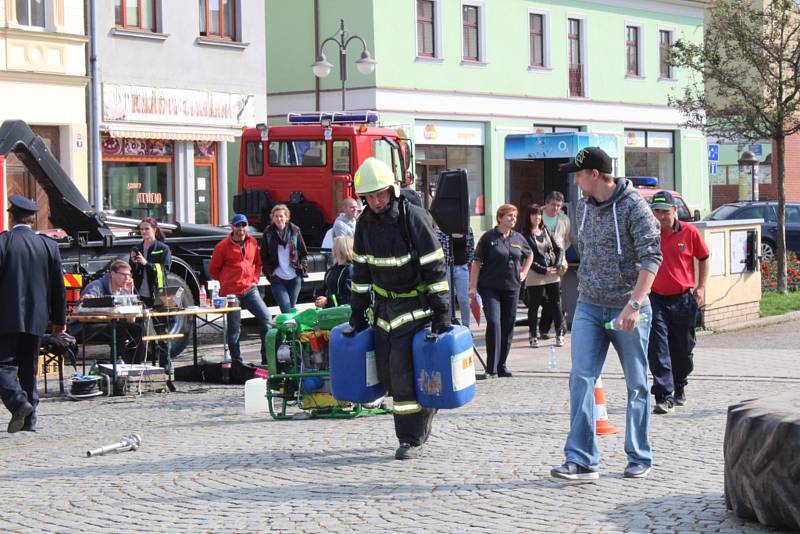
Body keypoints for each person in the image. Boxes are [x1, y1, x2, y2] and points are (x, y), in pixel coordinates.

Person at [550, 147, 662, 481]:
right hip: (589, 305)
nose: (575, 178)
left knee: (637, 384)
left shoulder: (635, 207)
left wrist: (635, 304)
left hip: (627, 307)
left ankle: (639, 456)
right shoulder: (582, 207)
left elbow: (651, 258)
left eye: (578, 173)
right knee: (581, 378)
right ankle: (581, 460)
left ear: (595, 175)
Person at [348, 157, 450, 460]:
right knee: (387, 375)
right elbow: (361, 275)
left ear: (391, 190)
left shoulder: (413, 217)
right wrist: (357, 314)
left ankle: (410, 437)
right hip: (384, 309)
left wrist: (442, 312)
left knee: (401, 371)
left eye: (380, 194)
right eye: (370, 196)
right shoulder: (364, 224)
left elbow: (435, 267)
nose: (376, 201)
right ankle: (424, 409)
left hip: (415, 305)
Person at [0, 195, 66, 433]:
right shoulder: (48, 246)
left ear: (11, 216)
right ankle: (30, 420)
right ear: (33, 219)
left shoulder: (3, 242)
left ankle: (19, 402)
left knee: (3, 366)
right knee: (28, 366)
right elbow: (59, 288)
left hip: (6, 318)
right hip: (38, 318)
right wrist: (60, 321)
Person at [648, 191, 709, 414]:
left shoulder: (689, 232)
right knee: (658, 347)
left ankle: (680, 382)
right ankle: (664, 395)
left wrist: (701, 287)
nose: (661, 216)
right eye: (657, 211)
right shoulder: (650, 233)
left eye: (665, 211)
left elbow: (703, 258)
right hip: (655, 298)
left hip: (683, 299)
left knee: (683, 350)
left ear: (674, 210)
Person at [468, 204, 532, 379]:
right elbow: (476, 262)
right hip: (490, 288)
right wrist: (472, 287)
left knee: (508, 325)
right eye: (510, 216)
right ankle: (491, 368)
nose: (513, 219)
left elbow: (530, 254)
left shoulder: (518, 238)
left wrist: (524, 272)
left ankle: (502, 365)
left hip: (512, 287)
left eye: (515, 217)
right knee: (495, 323)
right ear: (500, 217)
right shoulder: (488, 237)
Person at [209, 214, 272, 366]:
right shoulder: (222, 246)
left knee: (266, 319)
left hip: (250, 289)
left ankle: (266, 357)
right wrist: (227, 282)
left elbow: (257, 263)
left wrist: (255, 279)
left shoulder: (253, 241)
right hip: (232, 292)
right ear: (232, 227)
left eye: (243, 225)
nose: (241, 229)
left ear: (247, 227)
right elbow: (213, 270)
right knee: (234, 328)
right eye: (238, 225)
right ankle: (236, 360)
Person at [76, 259, 146, 364]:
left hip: (108, 325)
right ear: (112, 274)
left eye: (129, 275)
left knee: (136, 328)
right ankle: (117, 365)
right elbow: (85, 304)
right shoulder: (96, 286)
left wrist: (129, 294)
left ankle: (134, 366)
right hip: (84, 327)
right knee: (118, 329)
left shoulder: (122, 291)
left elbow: (131, 320)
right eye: (123, 275)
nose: (127, 278)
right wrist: (90, 299)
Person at [521, 204, 565, 348]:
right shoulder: (524, 235)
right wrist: (543, 270)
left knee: (556, 303)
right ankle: (533, 335)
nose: (537, 217)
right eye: (534, 214)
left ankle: (559, 334)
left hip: (552, 272)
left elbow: (559, 249)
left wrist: (557, 265)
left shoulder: (545, 230)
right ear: (528, 216)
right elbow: (527, 258)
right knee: (533, 306)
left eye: (539, 214)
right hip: (535, 273)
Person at [262, 204, 308, 313]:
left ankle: (289, 330)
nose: (279, 219)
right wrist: (270, 272)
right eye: (276, 216)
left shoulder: (295, 231)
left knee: (291, 309)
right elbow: (263, 255)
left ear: (287, 217)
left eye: (281, 216)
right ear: (272, 218)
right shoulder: (268, 233)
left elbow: (303, 252)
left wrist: (302, 269)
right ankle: (287, 329)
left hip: (294, 277)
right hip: (277, 277)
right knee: (286, 309)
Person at [538, 191, 571, 339]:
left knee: (554, 295)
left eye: (558, 206)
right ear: (546, 203)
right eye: (553, 205)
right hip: (538, 260)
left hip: (557, 262)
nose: (555, 208)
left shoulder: (564, 219)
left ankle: (545, 328)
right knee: (538, 296)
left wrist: (559, 256)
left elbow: (567, 240)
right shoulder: (537, 214)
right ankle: (560, 316)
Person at [435, 227, 475, 327]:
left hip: (463, 267)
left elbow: (470, 249)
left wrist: (469, 265)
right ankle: (449, 326)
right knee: (449, 298)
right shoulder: (441, 230)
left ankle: (466, 327)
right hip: (447, 267)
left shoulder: (467, 229)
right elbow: (438, 250)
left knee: (463, 299)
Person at [130, 217, 172, 308]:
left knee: (163, 320)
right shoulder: (137, 248)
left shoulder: (163, 248)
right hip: (140, 293)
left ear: (155, 229)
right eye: (141, 229)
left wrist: (146, 263)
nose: (143, 232)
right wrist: (133, 262)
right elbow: (133, 273)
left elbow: (163, 270)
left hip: (158, 291)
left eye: (147, 229)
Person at [314, 236, 353, 308]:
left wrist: (327, 301)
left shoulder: (350, 270)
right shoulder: (331, 270)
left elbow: (349, 297)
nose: (332, 250)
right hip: (329, 312)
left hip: (343, 314)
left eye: (334, 247)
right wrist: (319, 298)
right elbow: (325, 289)